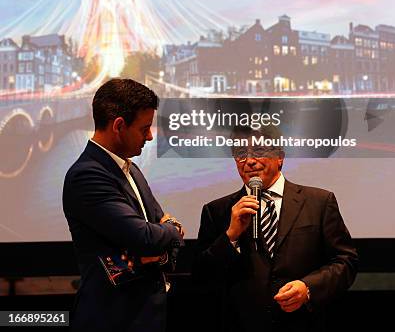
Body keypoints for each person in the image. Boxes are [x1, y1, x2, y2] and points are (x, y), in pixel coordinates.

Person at [194, 141, 358, 332]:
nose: (250, 161)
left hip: (305, 323)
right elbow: (201, 276)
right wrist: (231, 235)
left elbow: (346, 261)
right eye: (240, 154)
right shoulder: (217, 211)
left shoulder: (319, 202)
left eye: (259, 151)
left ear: (280, 157)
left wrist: (308, 288)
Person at [63, 78, 184, 332]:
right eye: (144, 128)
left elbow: (159, 244)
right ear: (119, 125)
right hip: (114, 319)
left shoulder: (132, 169)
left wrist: (156, 245)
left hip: (148, 316)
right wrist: (172, 229)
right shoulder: (87, 175)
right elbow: (147, 237)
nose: (150, 136)